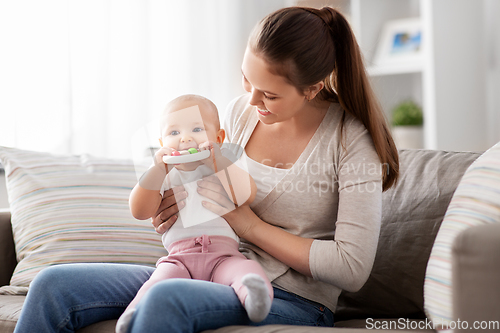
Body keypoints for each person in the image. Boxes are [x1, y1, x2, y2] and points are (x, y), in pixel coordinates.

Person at [14, 6, 399, 333]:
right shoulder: (239, 114)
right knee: (53, 285)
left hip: (289, 296)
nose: (251, 99)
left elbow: (351, 268)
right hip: (195, 265)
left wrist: (247, 225)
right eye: (248, 79)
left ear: (312, 89)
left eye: (270, 94)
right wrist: (174, 207)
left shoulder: (352, 143)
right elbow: (192, 182)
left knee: (167, 297)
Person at [115, 94, 273, 333]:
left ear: (218, 138)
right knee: (157, 283)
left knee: (244, 270)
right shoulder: (163, 174)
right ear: (162, 142)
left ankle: (254, 297)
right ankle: (134, 313)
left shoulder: (224, 167)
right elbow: (139, 210)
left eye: (197, 129)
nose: (186, 138)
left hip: (224, 256)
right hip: (179, 259)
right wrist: (157, 169)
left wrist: (217, 160)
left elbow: (247, 194)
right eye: (174, 133)